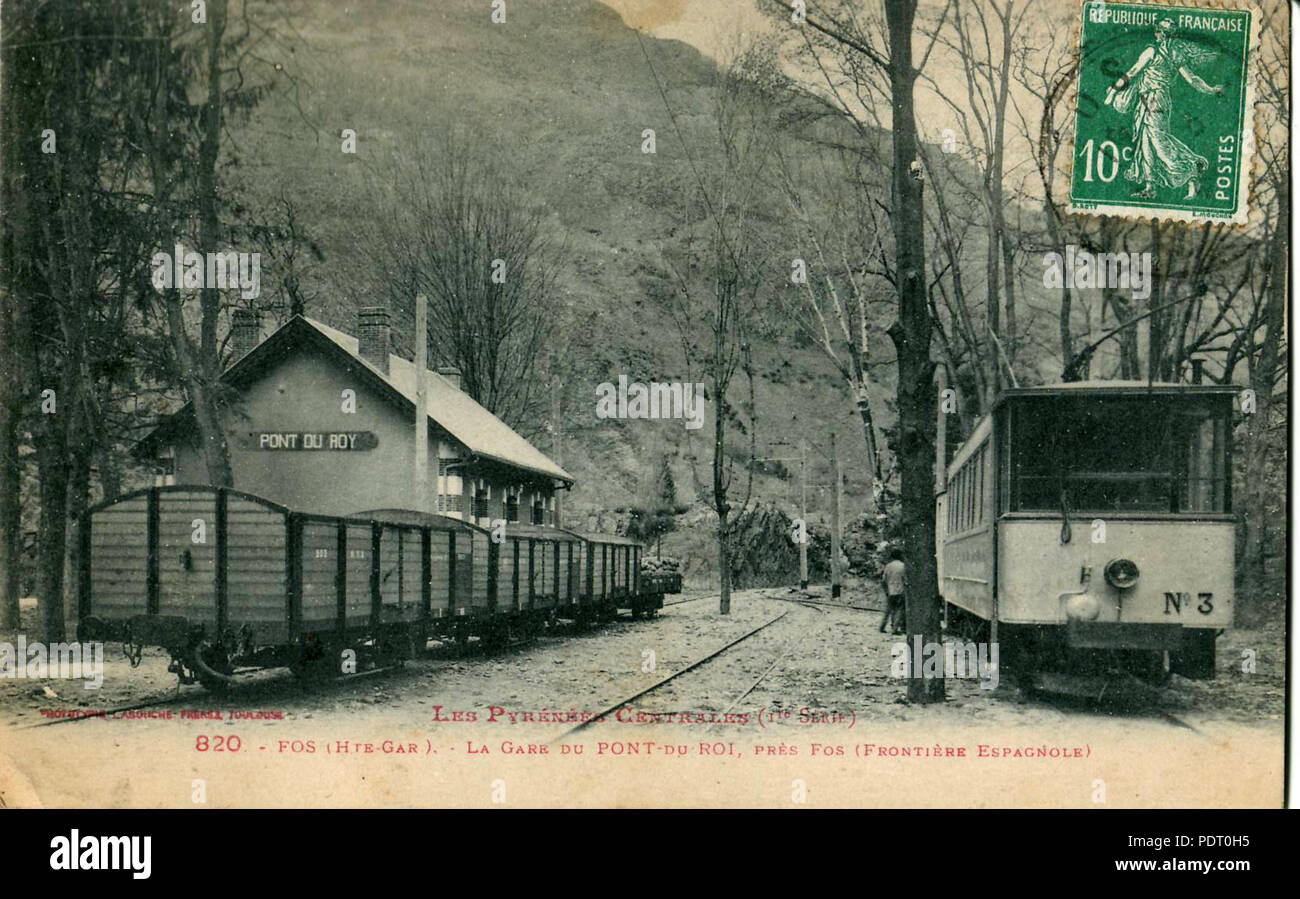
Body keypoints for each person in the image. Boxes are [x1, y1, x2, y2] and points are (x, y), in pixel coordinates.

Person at [1104, 19, 1224, 201]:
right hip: (1156, 100)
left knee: (1159, 143)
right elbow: (1192, 79)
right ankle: (1150, 187)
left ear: (1160, 33)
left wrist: (1113, 92)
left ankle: (1191, 171)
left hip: (1153, 100)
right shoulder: (1174, 54)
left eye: (1158, 31)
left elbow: (1131, 73)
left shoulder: (1151, 51)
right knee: (1146, 143)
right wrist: (1210, 89)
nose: (1156, 33)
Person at [879, 547, 906, 635]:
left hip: (890, 591)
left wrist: (886, 590)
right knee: (899, 610)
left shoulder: (888, 566)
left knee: (888, 610)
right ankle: (894, 629)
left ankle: (882, 627)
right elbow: (905, 579)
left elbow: (883, 580)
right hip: (900, 590)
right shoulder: (903, 566)